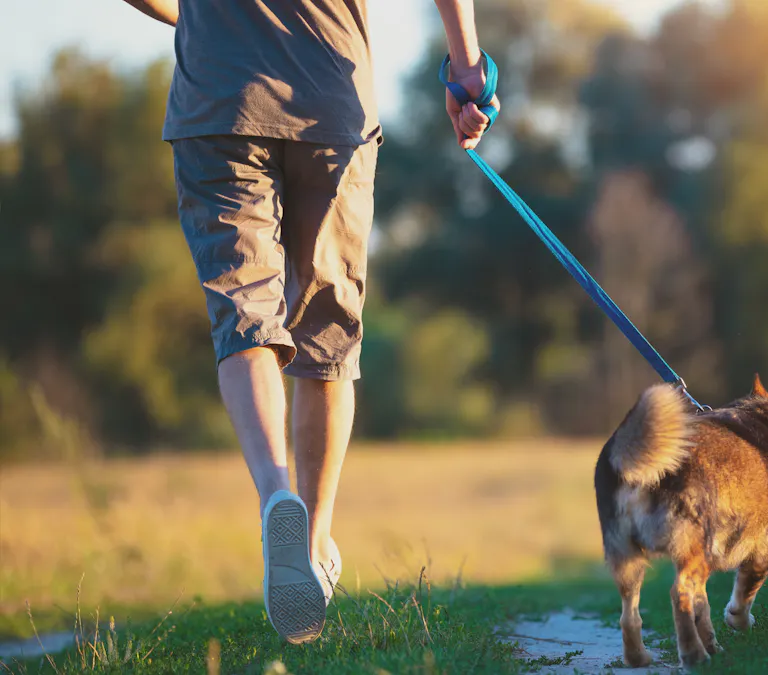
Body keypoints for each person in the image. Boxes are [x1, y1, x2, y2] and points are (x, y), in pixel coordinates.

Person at [119, 0, 497, 643]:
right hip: (331, 96)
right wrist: (467, 75)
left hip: (220, 94)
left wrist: (205, 19)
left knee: (245, 314)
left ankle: (275, 497)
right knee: (327, 330)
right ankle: (316, 542)